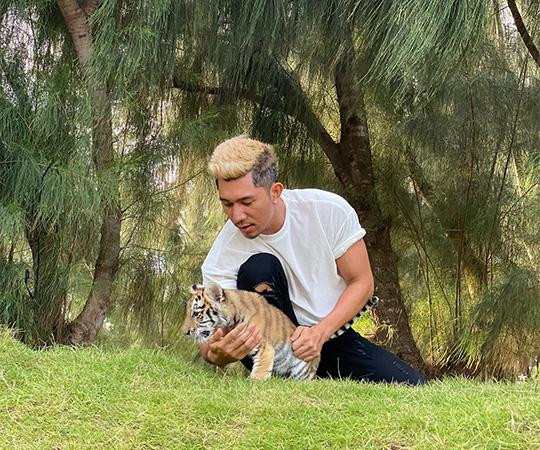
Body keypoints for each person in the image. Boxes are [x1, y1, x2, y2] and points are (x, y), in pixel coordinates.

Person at [199, 135, 427, 384]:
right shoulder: (221, 257)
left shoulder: (328, 211)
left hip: (329, 336)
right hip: (270, 349)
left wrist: (319, 333)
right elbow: (209, 337)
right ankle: (282, 377)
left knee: (415, 386)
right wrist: (216, 355)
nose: (237, 216)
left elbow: (362, 282)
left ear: (275, 192)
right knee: (259, 266)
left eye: (247, 202)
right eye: (227, 204)